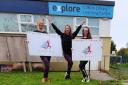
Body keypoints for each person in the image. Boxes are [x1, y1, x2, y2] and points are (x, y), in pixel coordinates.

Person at [34, 18, 51, 83]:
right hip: (41, 51)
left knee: (47, 65)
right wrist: (29, 41)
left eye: (42, 24)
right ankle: (44, 78)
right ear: (37, 24)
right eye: (40, 24)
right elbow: (33, 41)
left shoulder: (45, 32)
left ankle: (46, 78)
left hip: (48, 51)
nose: (41, 25)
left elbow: (48, 41)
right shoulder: (35, 32)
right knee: (46, 64)